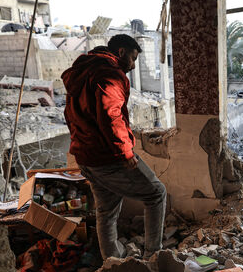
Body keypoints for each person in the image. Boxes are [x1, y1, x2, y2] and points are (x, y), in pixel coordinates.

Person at [63, 34, 166, 260]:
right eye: (133, 58)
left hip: (85, 155)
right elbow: (112, 116)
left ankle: (112, 262)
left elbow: (70, 114)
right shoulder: (109, 74)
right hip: (106, 156)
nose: (133, 64)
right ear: (121, 52)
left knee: (106, 210)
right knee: (156, 193)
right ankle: (154, 257)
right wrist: (125, 152)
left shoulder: (83, 72)